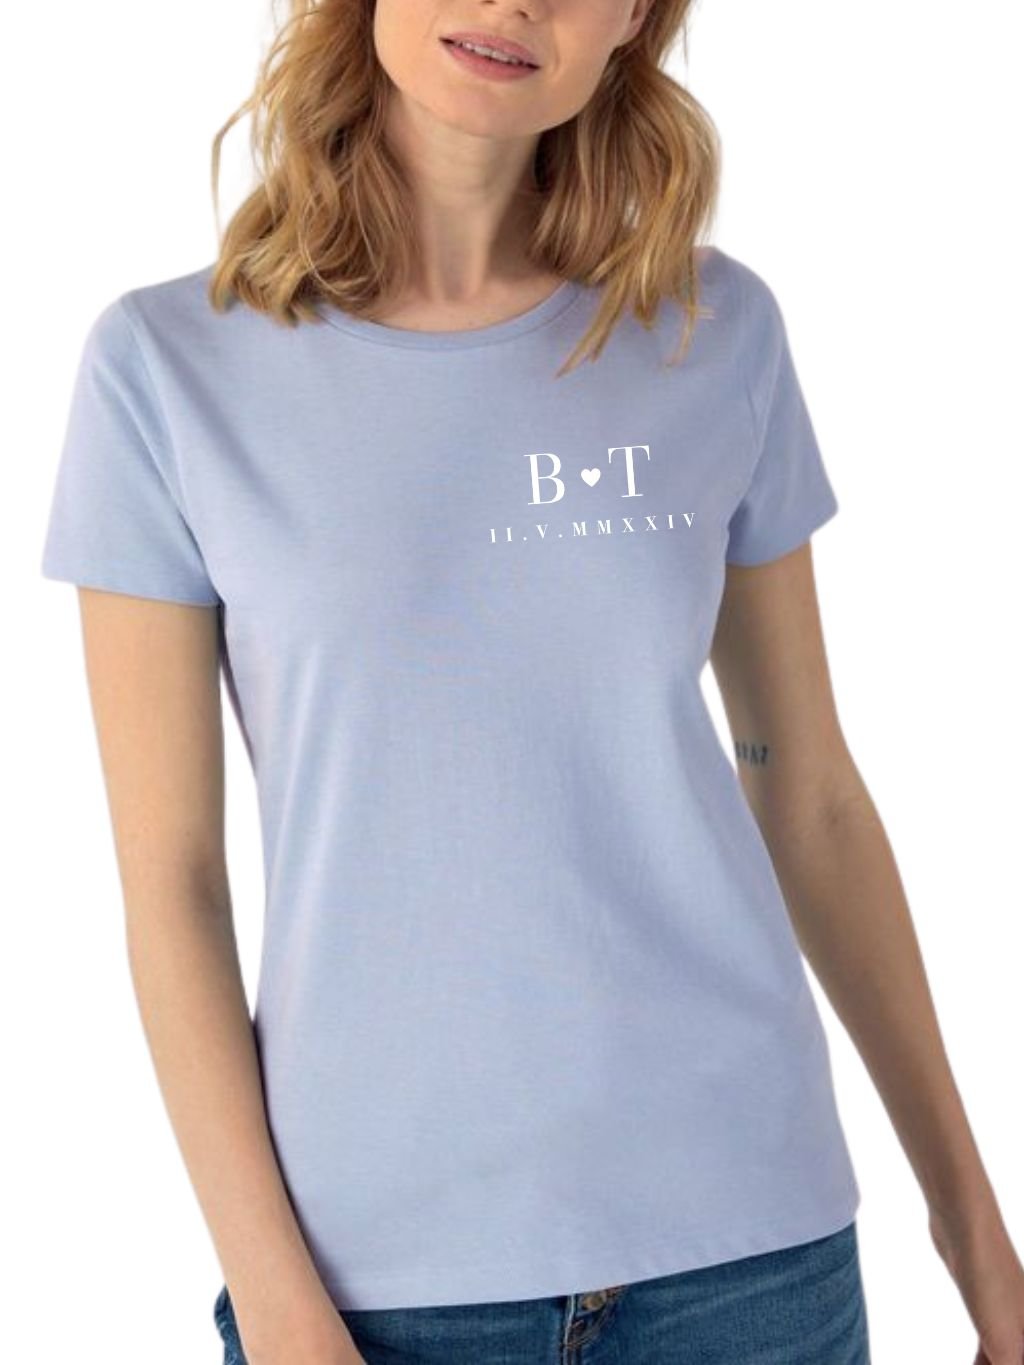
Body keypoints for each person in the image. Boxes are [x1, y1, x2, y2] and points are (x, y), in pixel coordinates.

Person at [38, 1, 1024, 1362]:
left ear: (635, 19)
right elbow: (174, 887)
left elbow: (810, 792)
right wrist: (278, 1307)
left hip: (753, 1262)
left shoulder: (712, 329)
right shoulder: (166, 369)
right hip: (377, 1288)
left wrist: (976, 1234)